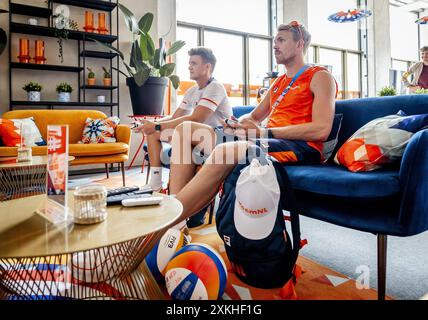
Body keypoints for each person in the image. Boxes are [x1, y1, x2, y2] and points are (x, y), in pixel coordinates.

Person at [167, 21, 337, 225]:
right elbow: (254, 117)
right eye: (275, 41)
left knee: (225, 151)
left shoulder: (319, 76)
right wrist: (238, 124)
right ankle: (177, 218)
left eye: (281, 40)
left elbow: (321, 130)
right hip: (268, 139)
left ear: (300, 44)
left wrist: (265, 132)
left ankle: (168, 222)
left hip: (301, 146)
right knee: (185, 130)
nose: (275, 45)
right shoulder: (279, 83)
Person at [133, 47, 232, 191]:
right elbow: (175, 117)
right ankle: (155, 184)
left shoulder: (215, 87)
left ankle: (178, 193)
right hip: (197, 135)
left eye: (194, 63)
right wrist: (152, 124)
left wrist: (156, 126)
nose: (189, 66)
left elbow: (196, 118)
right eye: (189, 63)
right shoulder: (192, 91)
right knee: (154, 132)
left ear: (207, 66)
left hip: (218, 136)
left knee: (175, 130)